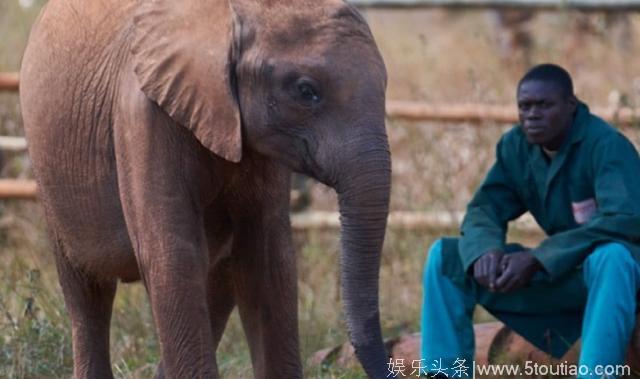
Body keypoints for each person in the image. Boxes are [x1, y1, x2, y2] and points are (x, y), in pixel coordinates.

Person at [420, 63, 640, 379]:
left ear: (571, 106)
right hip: (563, 274)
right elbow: (485, 208)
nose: (532, 115)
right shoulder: (515, 147)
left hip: (619, 280)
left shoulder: (606, 146)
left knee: (612, 256)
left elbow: (625, 221)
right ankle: (443, 373)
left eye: (544, 105)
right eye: (525, 106)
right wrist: (485, 250)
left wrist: (539, 258)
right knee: (445, 258)